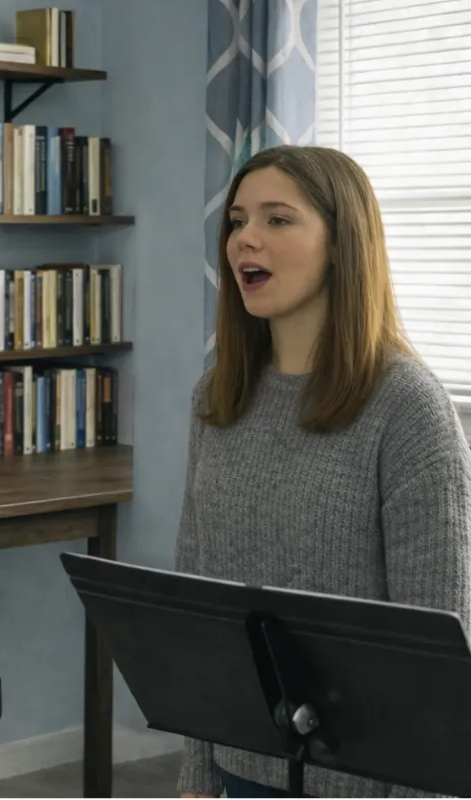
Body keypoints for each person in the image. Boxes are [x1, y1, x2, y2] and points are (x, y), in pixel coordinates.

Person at [175, 145, 471, 798]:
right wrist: (197, 775)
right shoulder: (217, 399)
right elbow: (201, 614)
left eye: (278, 220)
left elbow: (435, 657)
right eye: (237, 221)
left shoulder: (406, 408)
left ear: (342, 245)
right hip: (239, 766)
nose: (246, 238)